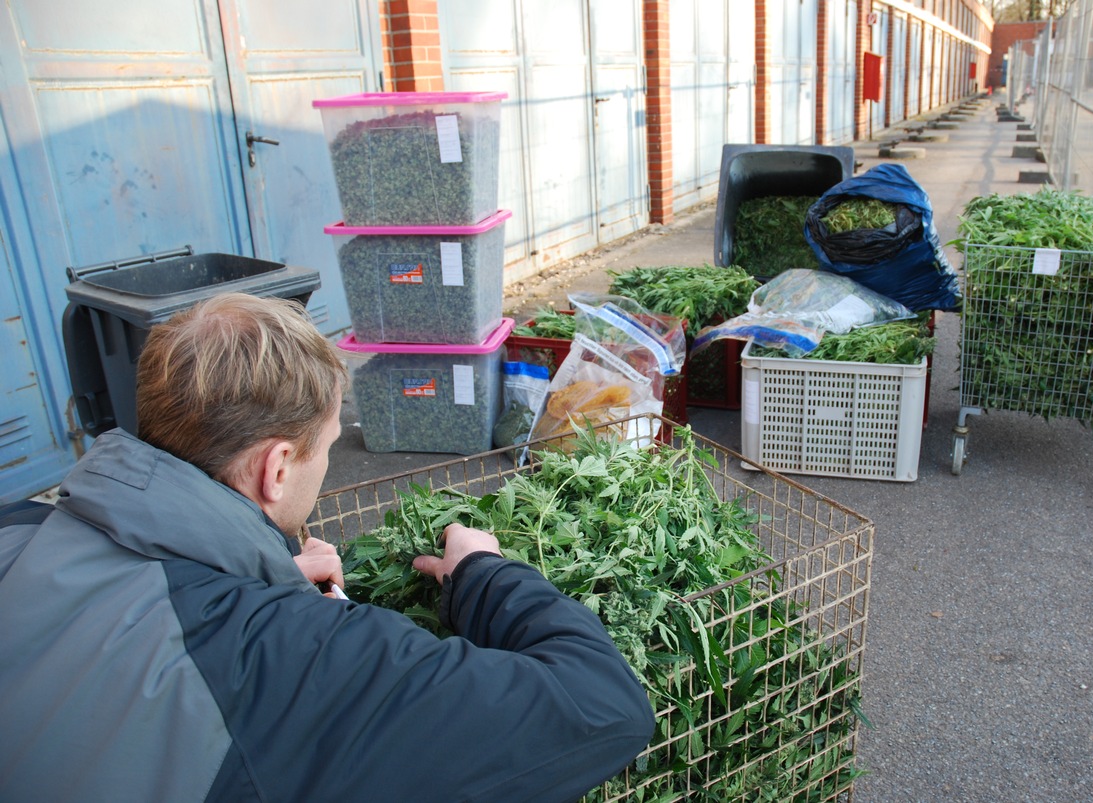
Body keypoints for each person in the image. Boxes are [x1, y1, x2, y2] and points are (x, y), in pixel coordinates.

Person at [0, 292, 655, 802]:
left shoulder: (19, 531)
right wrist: (484, 572)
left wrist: (247, 576)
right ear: (276, 469)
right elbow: (606, 706)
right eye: (331, 441)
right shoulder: (300, 660)